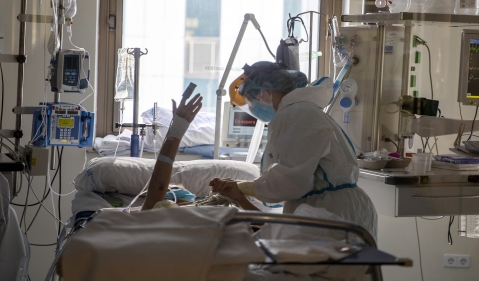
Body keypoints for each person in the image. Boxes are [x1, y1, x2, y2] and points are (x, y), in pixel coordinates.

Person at [209, 61, 377, 238]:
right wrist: (240, 191)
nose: (252, 108)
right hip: (331, 210)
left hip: (330, 212)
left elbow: (289, 183)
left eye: (251, 101)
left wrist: (241, 188)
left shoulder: (297, 114)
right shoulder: (296, 113)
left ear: (266, 91)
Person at [141, 93, 203, 210]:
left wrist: (178, 128)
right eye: (174, 188)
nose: (177, 188)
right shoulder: (150, 214)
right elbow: (159, 184)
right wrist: (177, 129)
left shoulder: (204, 216)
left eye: (177, 188)